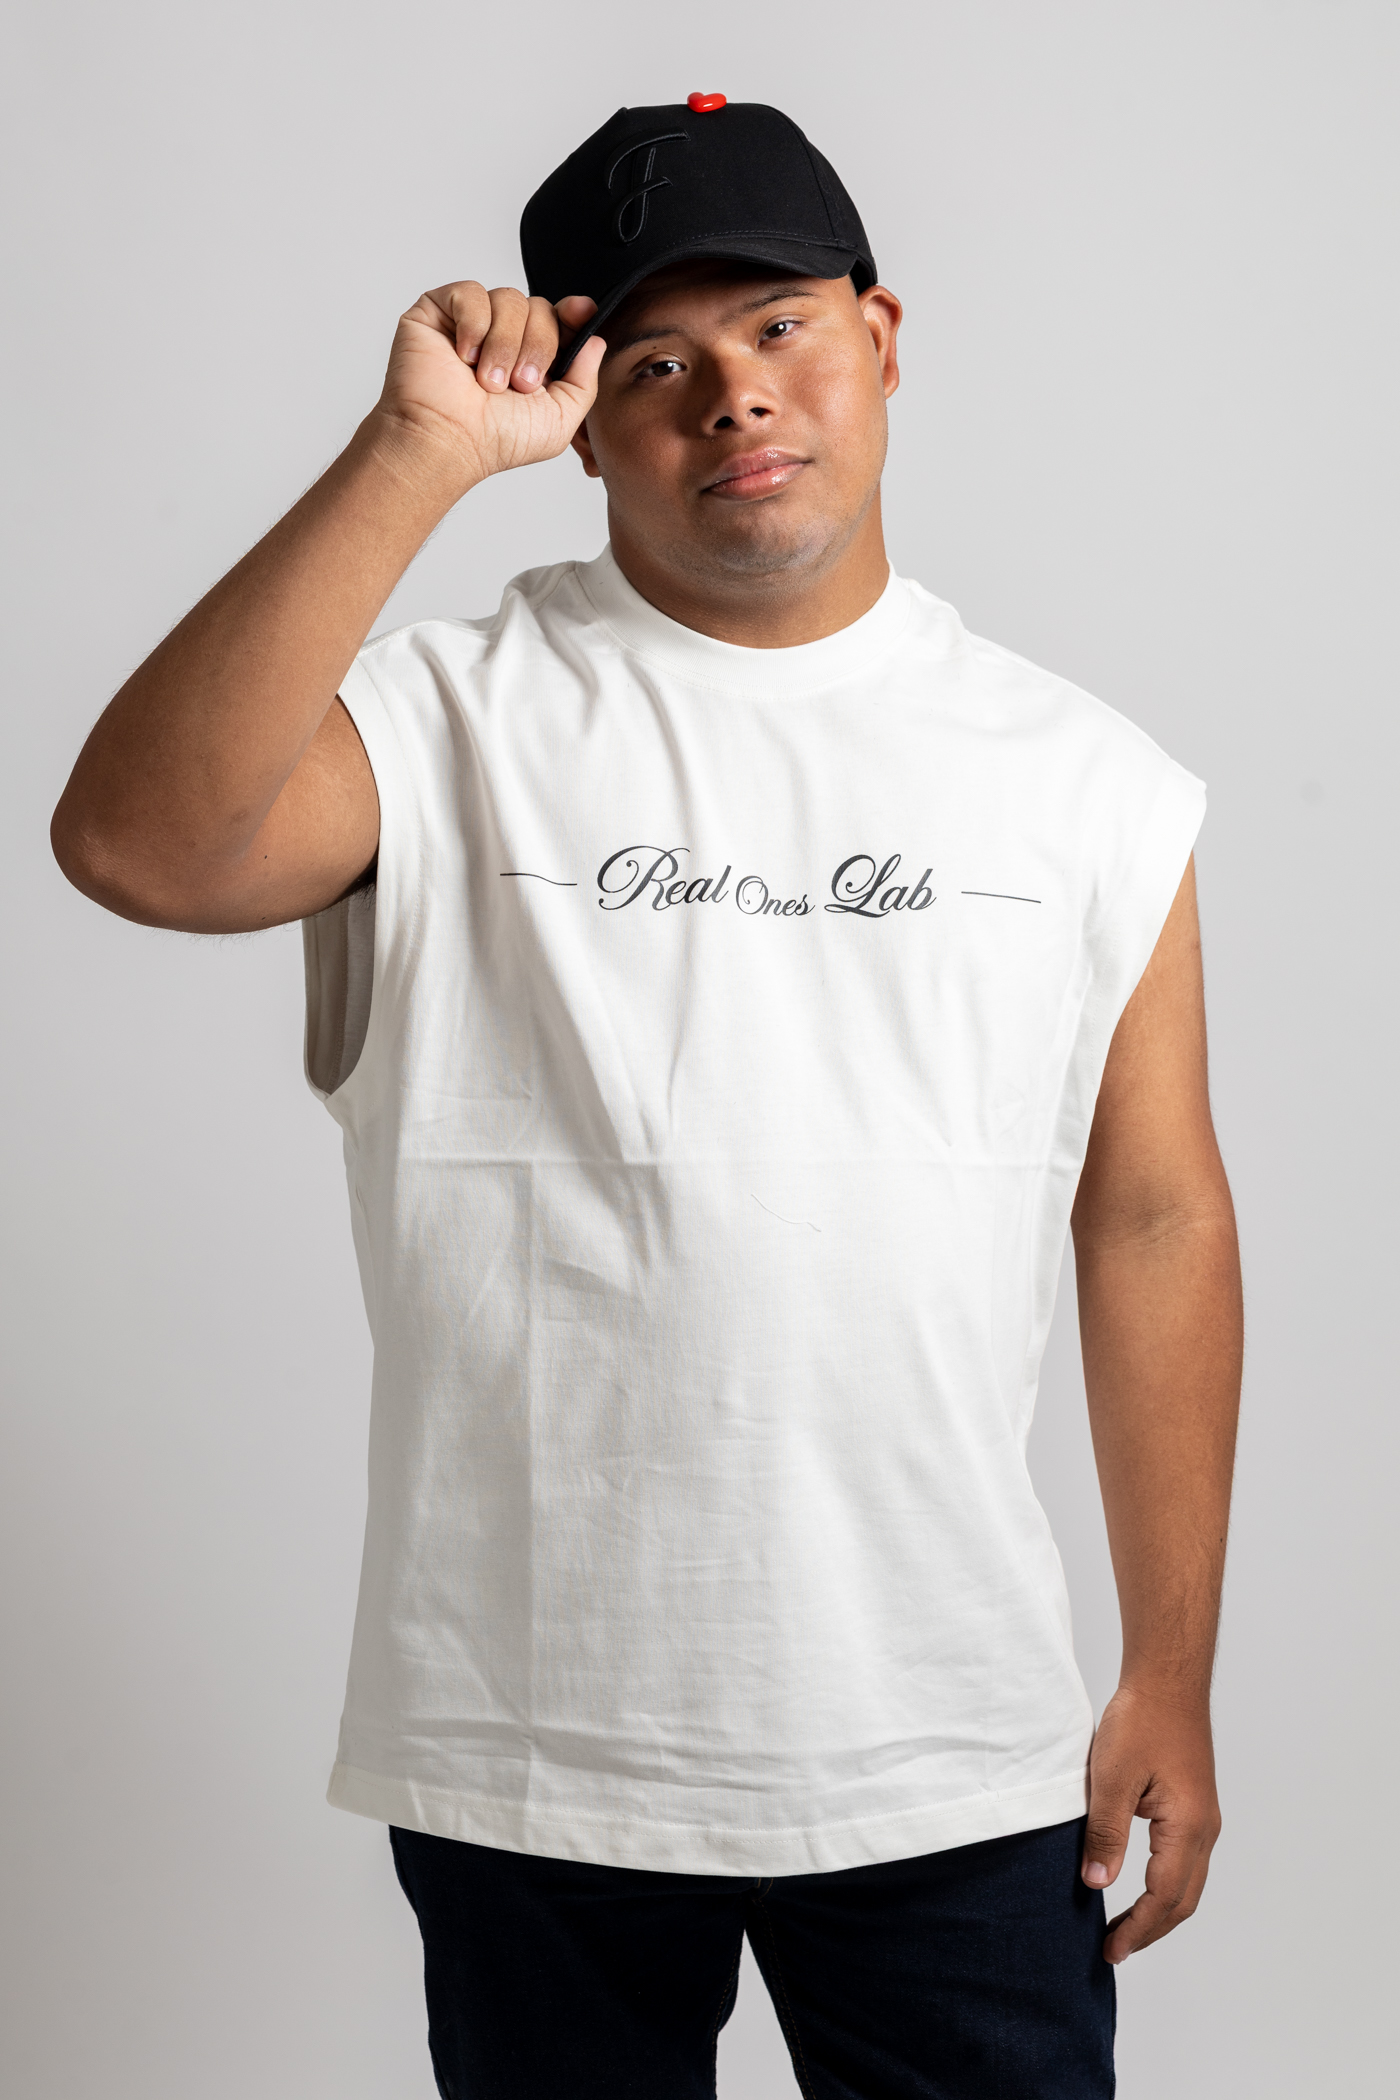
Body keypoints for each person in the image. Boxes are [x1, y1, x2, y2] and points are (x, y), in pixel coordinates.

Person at [51, 96, 1242, 2100]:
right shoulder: (440, 723)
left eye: (777, 327)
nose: (734, 396)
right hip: (535, 1752)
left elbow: (1154, 1219)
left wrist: (1171, 1673)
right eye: (657, 363)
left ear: (880, 336)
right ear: (584, 424)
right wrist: (417, 451)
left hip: (949, 1740)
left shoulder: (1088, 784)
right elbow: (139, 846)